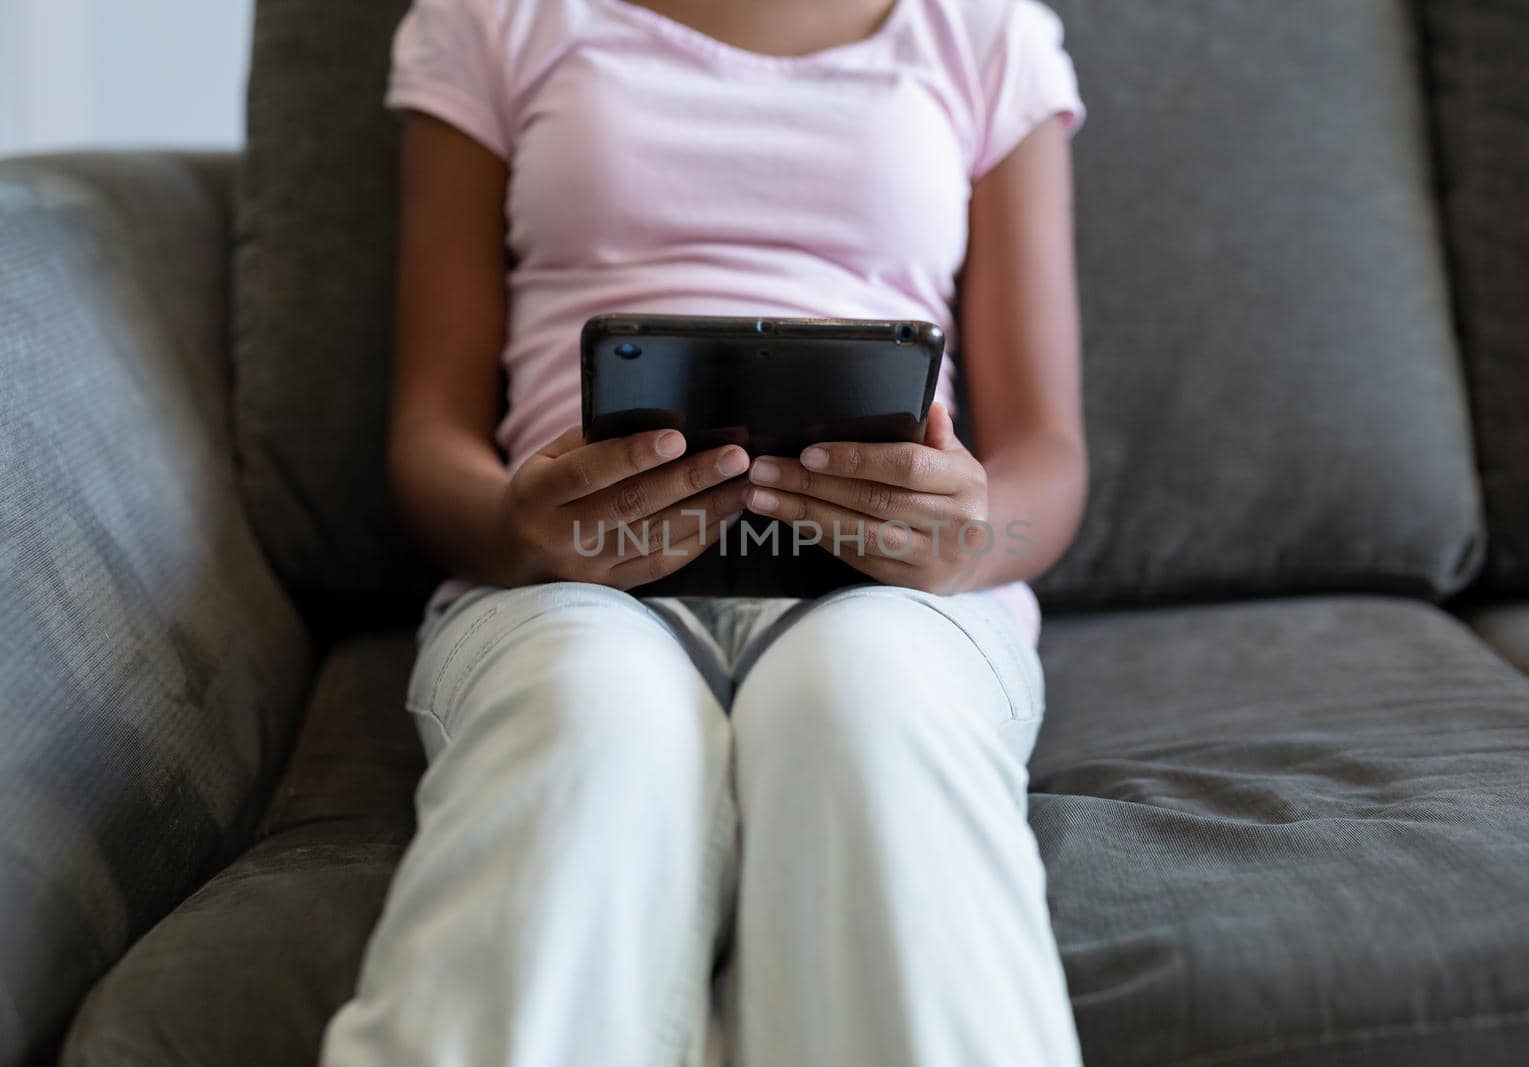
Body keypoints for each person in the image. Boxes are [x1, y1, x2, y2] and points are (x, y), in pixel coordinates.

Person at [320, 0, 1089, 1063]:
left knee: (867, 700)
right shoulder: (492, 17)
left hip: (893, 593)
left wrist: (971, 538)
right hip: (568, 586)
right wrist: (515, 530)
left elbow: (1048, 452)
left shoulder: (985, 32)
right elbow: (426, 432)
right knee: (588, 711)